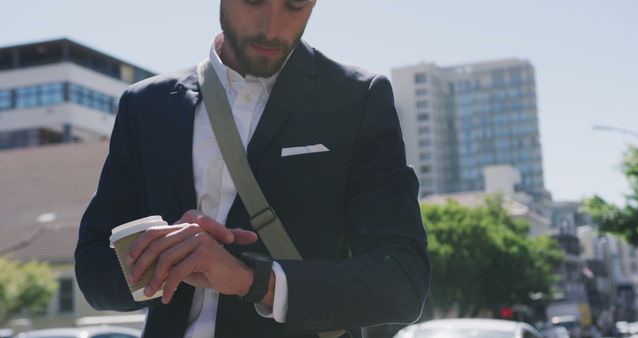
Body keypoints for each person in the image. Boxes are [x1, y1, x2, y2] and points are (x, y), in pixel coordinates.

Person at [74, 1, 430, 337]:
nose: (271, 28)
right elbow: (94, 272)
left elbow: (403, 280)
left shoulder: (358, 98)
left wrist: (254, 281)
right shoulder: (146, 107)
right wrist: (166, 256)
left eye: (294, 5)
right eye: (254, 1)